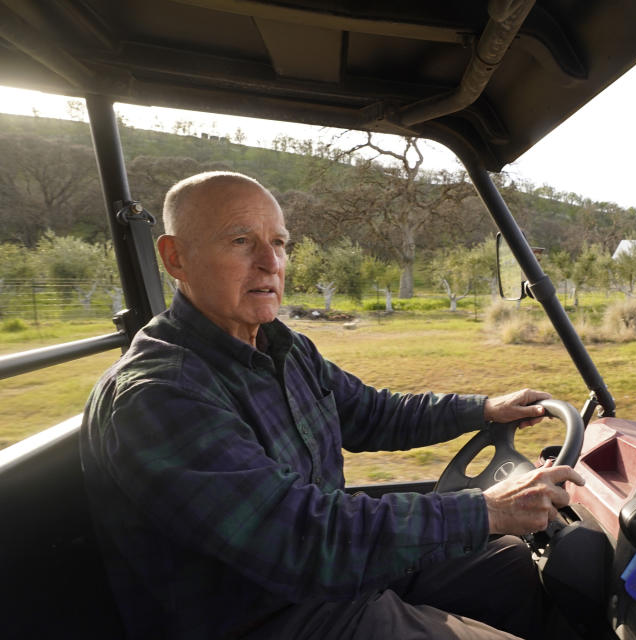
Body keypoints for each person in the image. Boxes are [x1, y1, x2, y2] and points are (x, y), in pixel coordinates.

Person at [80, 171, 584, 640]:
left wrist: (485, 409)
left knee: (508, 565)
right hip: (266, 616)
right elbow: (299, 538)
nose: (270, 263)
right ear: (175, 258)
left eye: (278, 243)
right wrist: (486, 509)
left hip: (329, 578)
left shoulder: (282, 348)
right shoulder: (160, 394)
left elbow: (372, 412)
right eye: (241, 241)